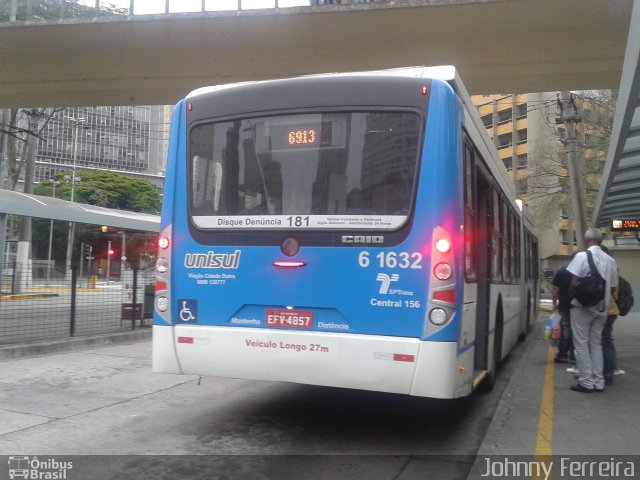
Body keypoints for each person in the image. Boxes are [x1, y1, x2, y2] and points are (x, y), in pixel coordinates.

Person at [566, 228, 618, 393]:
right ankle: (599, 382)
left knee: (581, 344)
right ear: (600, 241)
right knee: (596, 344)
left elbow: (573, 281)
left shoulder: (581, 256)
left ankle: (586, 382)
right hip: (602, 308)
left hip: (583, 307)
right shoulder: (611, 261)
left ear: (587, 240)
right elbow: (612, 286)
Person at [600, 246, 624, 385]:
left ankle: (606, 373)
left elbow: (611, 289)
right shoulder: (613, 267)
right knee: (606, 341)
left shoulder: (606, 267)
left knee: (603, 343)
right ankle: (608, 372)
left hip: (606, 309)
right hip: (611, 310)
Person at [551, 260, 575, 363]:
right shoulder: (582, 271)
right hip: (579, 306)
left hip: (564, 305)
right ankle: (574, 355)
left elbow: (556, 289)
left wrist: (554, 304)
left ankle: (563, 355)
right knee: (576, 330)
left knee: (565, 329)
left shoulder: (562, 271)